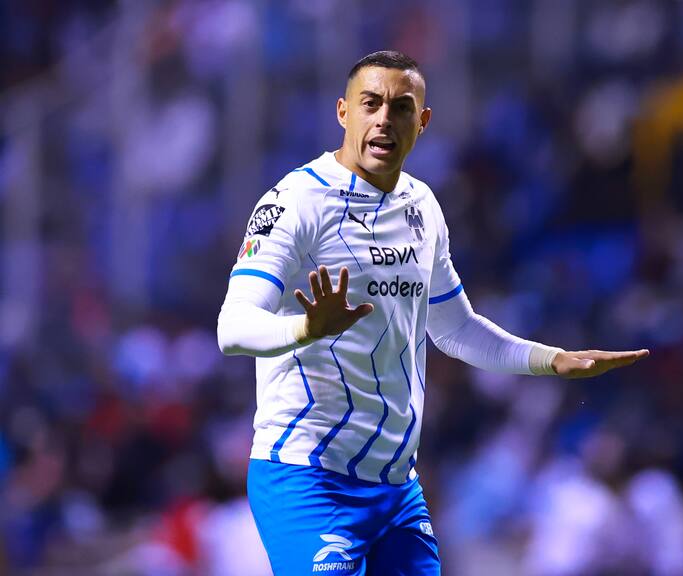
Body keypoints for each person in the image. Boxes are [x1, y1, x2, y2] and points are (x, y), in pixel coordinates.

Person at [217, 50, 649, 575]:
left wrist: (552, 360)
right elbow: (232, 329)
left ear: (420, 122)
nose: (383, 119)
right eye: (370, 104)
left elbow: (455, 328)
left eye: (400, 108)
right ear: (342, 113)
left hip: (397, 488)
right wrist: (306, 327)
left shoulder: (422, 206)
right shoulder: (292, 204)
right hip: (307, 476)